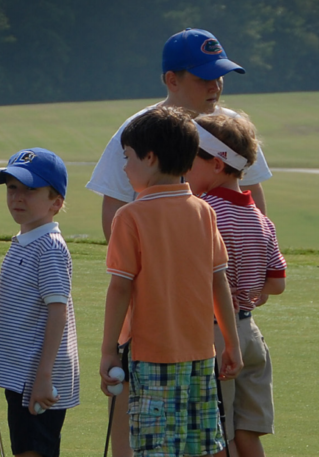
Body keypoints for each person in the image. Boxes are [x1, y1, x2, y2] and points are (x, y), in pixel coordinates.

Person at [85, 28, 269, 456]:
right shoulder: (140, 130)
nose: (215, 86)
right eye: (204, 77)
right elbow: (114, 210)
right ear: (172, 79)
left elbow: (253, 208)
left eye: (221, 76)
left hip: (211, 316)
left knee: (208, 427)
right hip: (153, 304)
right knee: (135, 404)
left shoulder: (228, 128)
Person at [97, 106, 242, 457]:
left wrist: (108, 350)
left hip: (151, 356)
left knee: (155, 450)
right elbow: (218, 282)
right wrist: (231, 344)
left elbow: (120, 287)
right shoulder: (204, 211)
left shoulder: (129, 216)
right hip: (201, 356)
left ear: (149, 157)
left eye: (128, 157)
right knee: (200, 450)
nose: (125, 166)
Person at [182, 114, 287, 457]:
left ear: (216, 163)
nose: (183, 167)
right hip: (250, 335)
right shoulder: (261, 218)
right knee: (247, 433)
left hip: (217, 338)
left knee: (216, 436)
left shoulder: (204, 212)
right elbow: (276, 283)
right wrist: (251, 293)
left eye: (190, 157)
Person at [0, 148, 80, 457]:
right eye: (12, 188)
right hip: (22, 369)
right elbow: (30, 309)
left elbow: (57, 312)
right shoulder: (24, 241)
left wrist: (44, 377)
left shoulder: (48, 248)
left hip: (36, 375)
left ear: (56, 202)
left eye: (31, 190)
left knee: (33, 452)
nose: (18, 197)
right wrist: (3, 341)